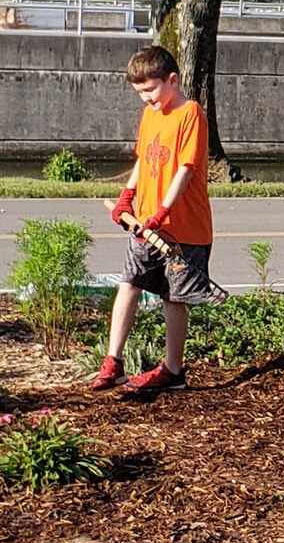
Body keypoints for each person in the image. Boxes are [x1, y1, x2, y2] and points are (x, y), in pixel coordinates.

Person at [92, 45, 214, 391]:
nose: (146, 98)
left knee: (173, 298)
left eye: (150, 90)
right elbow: (144, 162)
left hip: (184, 228)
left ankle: (173, 370)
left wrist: (164, 211)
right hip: (144, 224)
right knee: (129, 283)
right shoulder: (151, 115)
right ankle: (113, 361)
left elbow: (185, 170)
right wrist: (126, 197)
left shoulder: (190, 113)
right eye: (140, 92)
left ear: (172, 80)